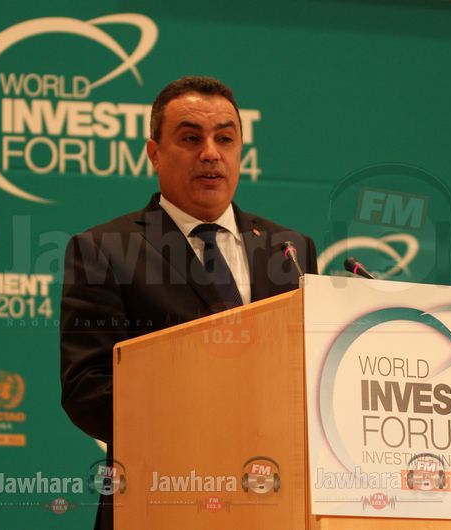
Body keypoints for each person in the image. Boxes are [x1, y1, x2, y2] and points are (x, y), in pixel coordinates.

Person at [59, 76, 317, 529]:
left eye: (225, 139)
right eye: (191, 139)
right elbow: (87, 390)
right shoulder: (105, 249)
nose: (211, 153)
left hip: (277, 503)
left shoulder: (289, 249)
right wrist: (207, 417)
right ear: (154, 154)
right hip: (162, 500)